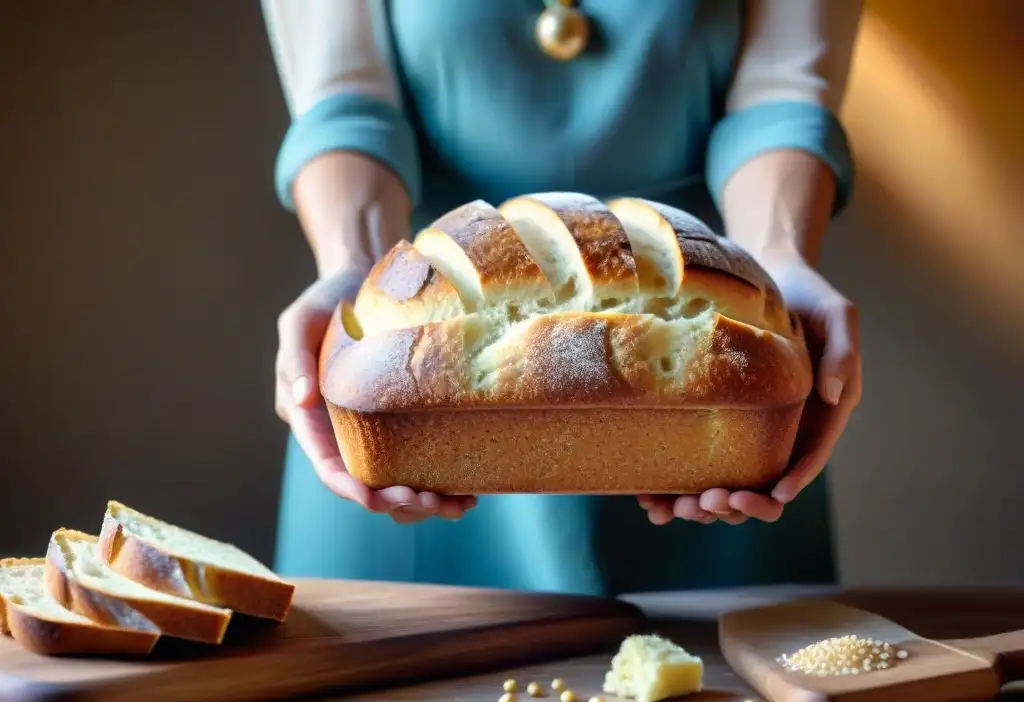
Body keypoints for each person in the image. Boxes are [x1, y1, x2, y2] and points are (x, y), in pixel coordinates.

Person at [260, 0, 864, 595]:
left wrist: (779, 259)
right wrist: (352, 265)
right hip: (416, 335)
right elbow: (346, 105)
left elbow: (782, 95)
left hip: (710, 330)